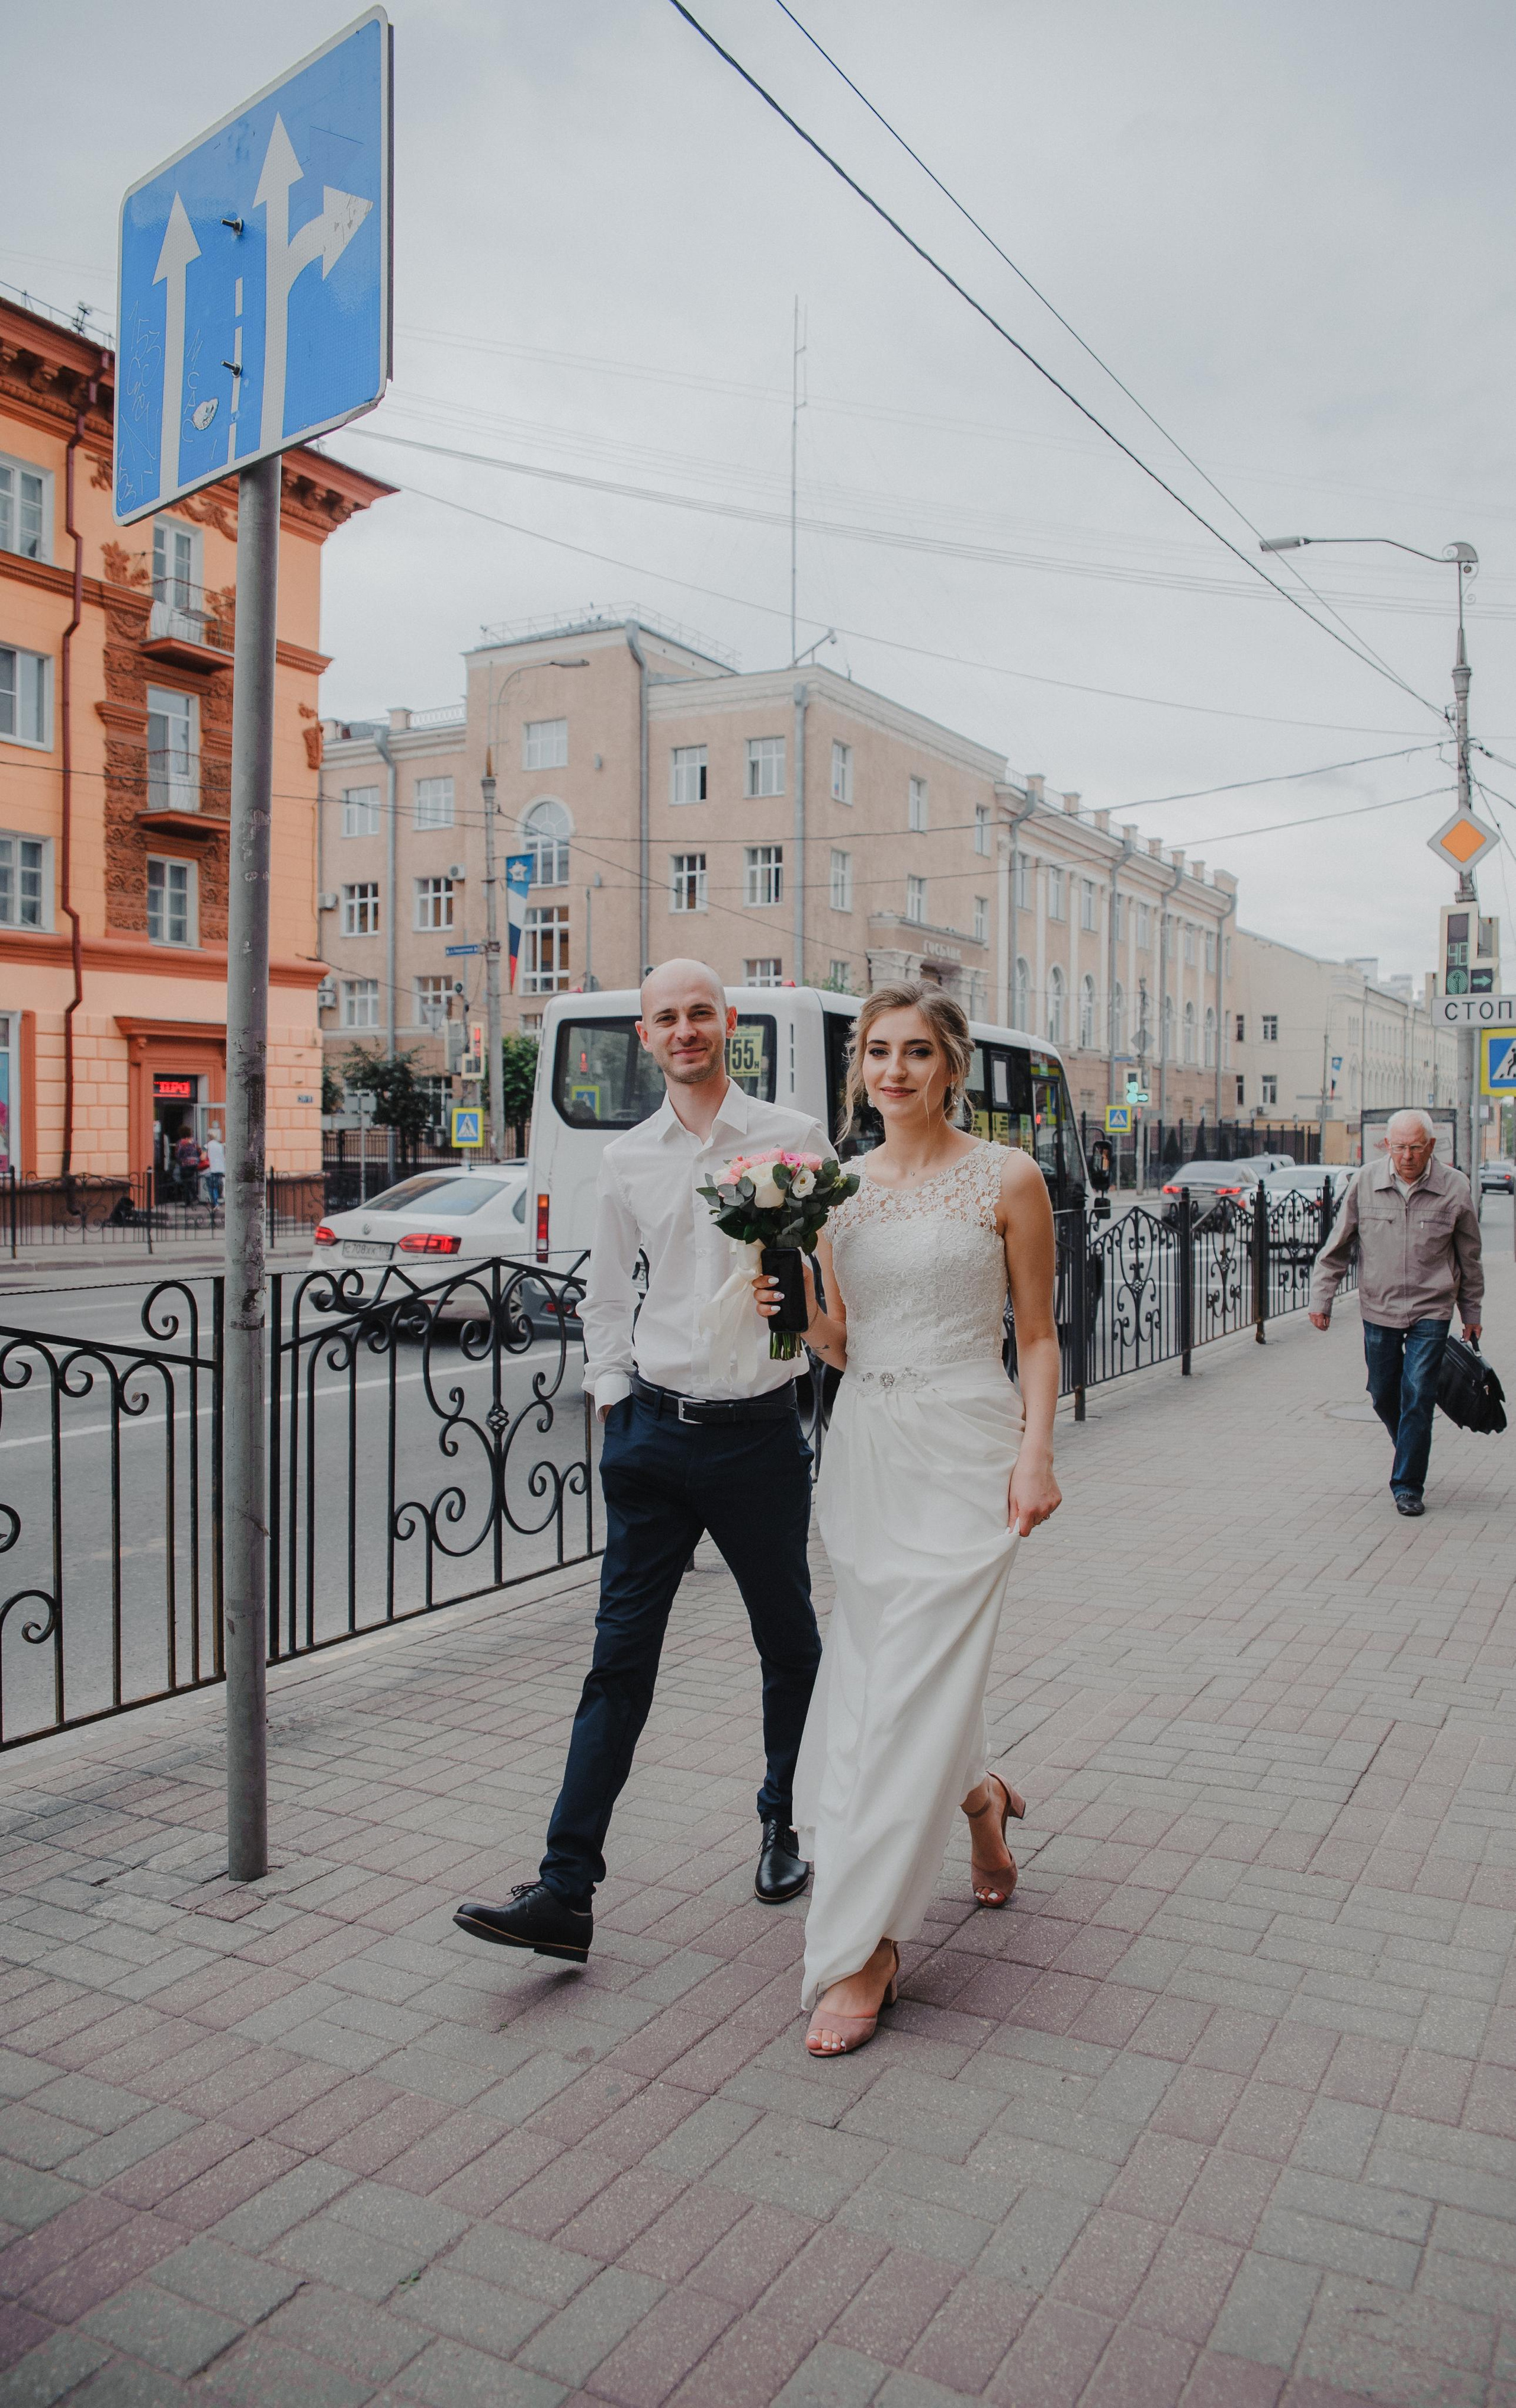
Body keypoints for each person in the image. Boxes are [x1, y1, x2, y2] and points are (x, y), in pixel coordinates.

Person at [454, 959, 831, 1966]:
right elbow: (609, 1295)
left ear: (730, 1023)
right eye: (667, 1017)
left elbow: (830, 1276)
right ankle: (565, 1889)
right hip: (654, 1441)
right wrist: (615, 1401)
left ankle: (783, 1826)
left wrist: (796, 1303)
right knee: (617, 1665)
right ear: (647, 1037)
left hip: (757, 1435)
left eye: (701, 1012)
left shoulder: (794, 1138)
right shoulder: (627, 1159)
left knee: (790, 1643)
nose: (686, 1029)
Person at [762, 983, 1062, 2057]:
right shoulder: (834, 1190)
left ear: (952, 1067)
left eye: (917, 1053)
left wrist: (1038, 1450)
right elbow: (841, 1344)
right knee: (885, 1663)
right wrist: (793, 1311)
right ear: (861, 1070)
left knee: (896, 1686)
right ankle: (979, 1799)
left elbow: (1034, 1336)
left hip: (971, 1452)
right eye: (878, 1053)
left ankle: (870, 1944)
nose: (895, 1070)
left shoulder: (1008, 1176)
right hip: (869, 1453)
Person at [1309, 1107, 1483, 1518]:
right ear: (1387, 1145)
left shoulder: (1455, 1188)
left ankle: (1407, 1484)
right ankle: (1410, 1443)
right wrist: (1322, 1298)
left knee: (1419, 1395)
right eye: (1399, 1147)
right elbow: (1337, 1247)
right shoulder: (1365, 1182)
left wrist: (1471, 1310)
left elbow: (1470, 1258)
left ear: (1431, 1146)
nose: (1407, 1155)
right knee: (1382, 1393)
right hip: (1379, 1306)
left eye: (1415, 1147)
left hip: (1432, 1307)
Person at [204, 1125, 225, 1209]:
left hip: (211, 1169)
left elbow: (203, 1157)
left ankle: (215, 1202)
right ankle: (217, 1202)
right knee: (217, 1186)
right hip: (220, 1168)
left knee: (211, 1187)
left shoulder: (207, 1146)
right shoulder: (220, 1146)